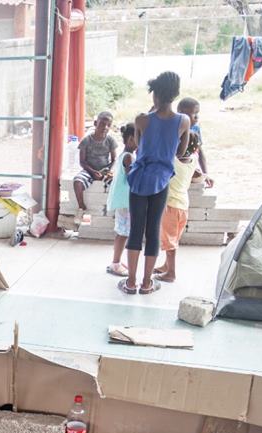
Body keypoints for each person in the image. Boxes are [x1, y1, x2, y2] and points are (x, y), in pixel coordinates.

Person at [120, 71, 189, 296]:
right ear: (176, 94)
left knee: (135, 229)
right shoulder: (183, 121)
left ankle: (130, 283)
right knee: (153, 231)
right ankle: (147, 283)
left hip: (139, 179)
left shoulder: (142, 119)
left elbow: (139, 146)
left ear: (155, 94)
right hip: (161, 181)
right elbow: (181, 151)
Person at [154, 132, 201, 284]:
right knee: (174, 239)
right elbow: (196, 174)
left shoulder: (171, 162)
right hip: (183, 205)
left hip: (170, 206)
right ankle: (166, 266)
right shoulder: (194, 159)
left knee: (169, 242)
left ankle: (171, 273)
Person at [104, 122, 136, 278]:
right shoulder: (129, 157)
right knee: (124, 233)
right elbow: (133, 178)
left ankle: (116, 261)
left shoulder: (125, 154)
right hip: (126, 202)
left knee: (122, 232)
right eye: (140, 138)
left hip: (124, 201)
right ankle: (115, 263)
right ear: (131, 139)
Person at [73, 111, 116, 212]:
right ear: (95, 123)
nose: (105, 127)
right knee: (77, 181)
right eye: (102, 124)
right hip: (88, 170)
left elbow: (114, 160)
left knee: (117, 183)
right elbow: (82, 162)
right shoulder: (86, 140)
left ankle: (112, 208)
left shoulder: (110, 140)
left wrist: (109, 171)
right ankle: (81, 206)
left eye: (108, 125)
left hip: (105, 170)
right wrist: (93, 172)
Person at [177, 97, 213, 188]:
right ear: (181, 113)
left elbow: (200, 151)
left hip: (190, 166)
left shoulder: (195, 128)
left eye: (197, 113)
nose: (197, 117)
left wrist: (205, 174)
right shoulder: (175, 128)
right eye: (194, 113)